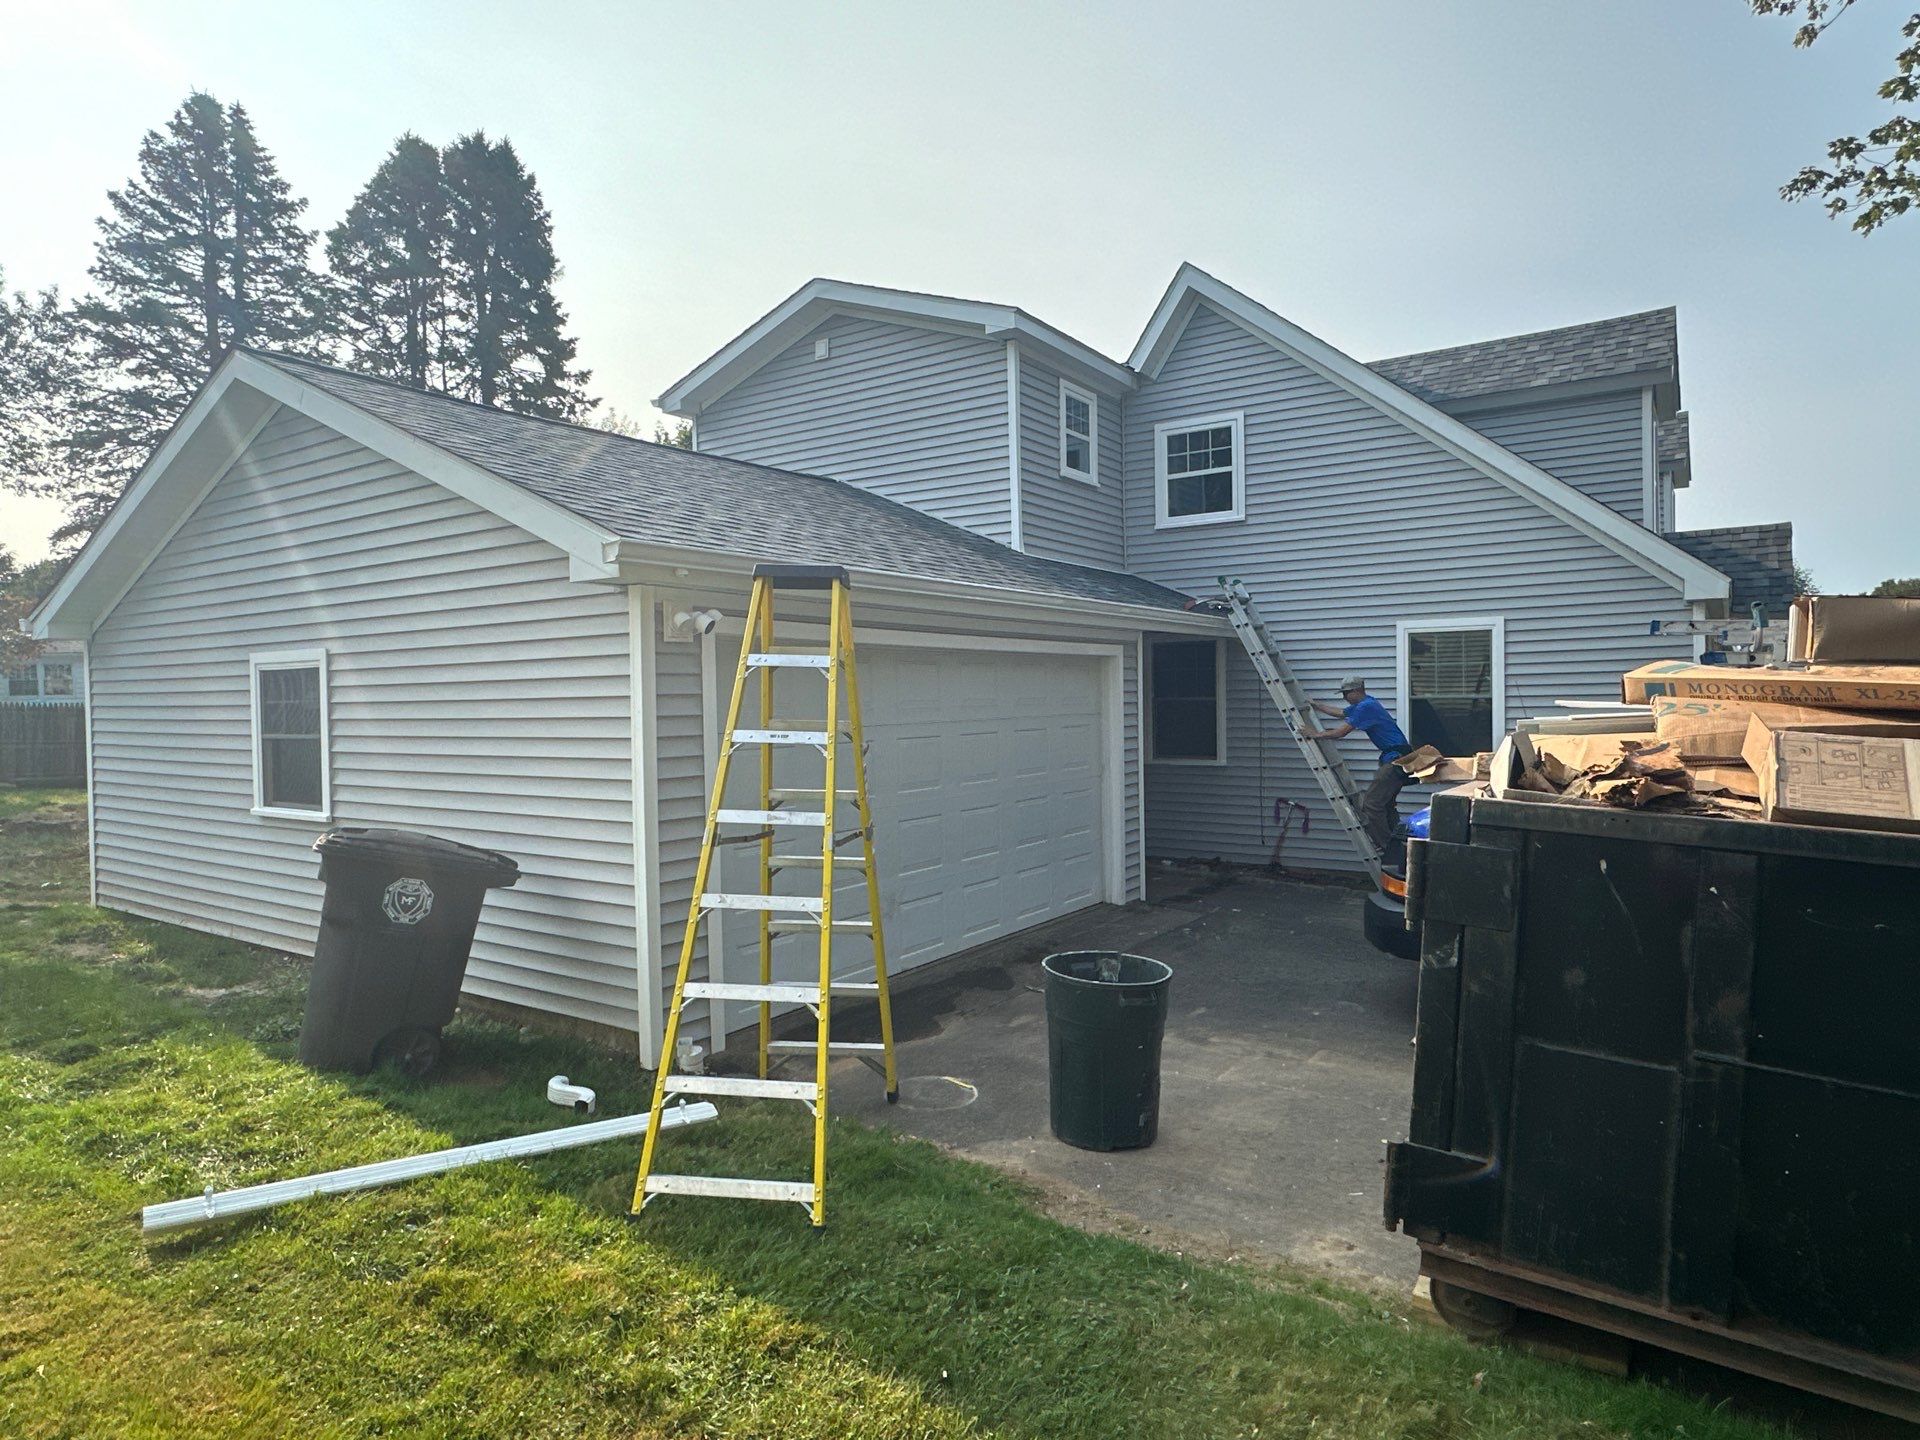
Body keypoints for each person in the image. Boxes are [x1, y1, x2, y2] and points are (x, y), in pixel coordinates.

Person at [1298, 676, 1412, 855]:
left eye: (1345, 694)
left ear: (1356, 690)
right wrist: (1316, 705)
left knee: (1371, 805)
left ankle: (1388, 847)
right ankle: (1398, 843)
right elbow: (1341, 713)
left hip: (1395, 760)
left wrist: (1315, 734)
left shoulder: (1366, 707)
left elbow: (1340, 732)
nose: (1344, 697)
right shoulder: (1367, 704)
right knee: (1386, 805)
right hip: (1398, 758)